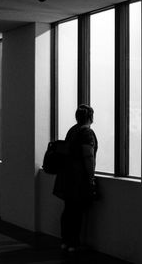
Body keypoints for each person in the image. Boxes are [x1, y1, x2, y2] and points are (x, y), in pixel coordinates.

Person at [54, 104, 98, 252]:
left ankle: (65, 241)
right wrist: (91, 177)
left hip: (66, 177)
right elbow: (88, 156)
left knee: (68, 210)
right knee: (77, 211)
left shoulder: (72, 130)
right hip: (78, 179)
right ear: (91, 117)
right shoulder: (87, 133)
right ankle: (74, 243)